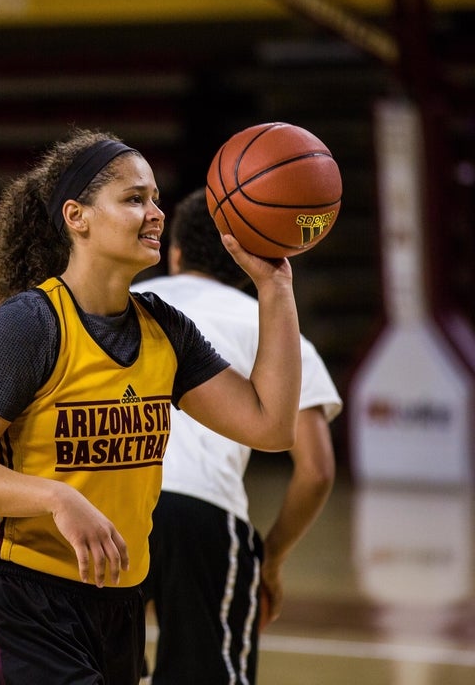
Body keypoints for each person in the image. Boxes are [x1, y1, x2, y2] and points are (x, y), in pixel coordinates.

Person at [0, 128, 303, 685]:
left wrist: (275, 288)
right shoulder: (30, 326)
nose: (155, 214)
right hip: (21, 602)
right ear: (78, 216)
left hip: (118, 607)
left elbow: (270, 425)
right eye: (134, 199)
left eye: (156, 199)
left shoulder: (164, 329)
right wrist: (56, 498)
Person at [135, 188, 343, 685]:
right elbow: (316, 471)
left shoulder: (131, 304)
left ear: (176, 252)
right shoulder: (279, 330)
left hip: (109, 503)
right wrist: (269, 560)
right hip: (204, 513)